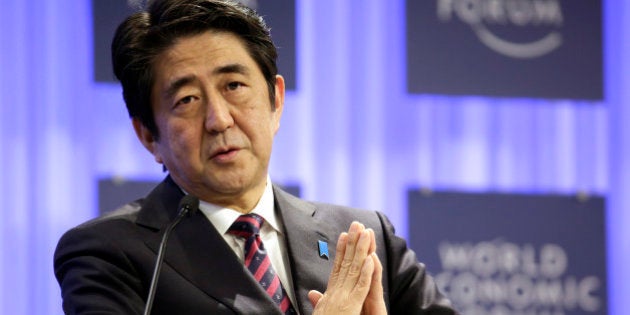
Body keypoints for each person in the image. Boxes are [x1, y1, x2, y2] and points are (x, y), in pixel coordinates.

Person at [53, 0, 458, 314]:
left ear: (275, 100)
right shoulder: (109, 253)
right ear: (148, 136)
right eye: (187, 99)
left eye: (233, 85)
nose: (218, 119)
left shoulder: (363, 237)